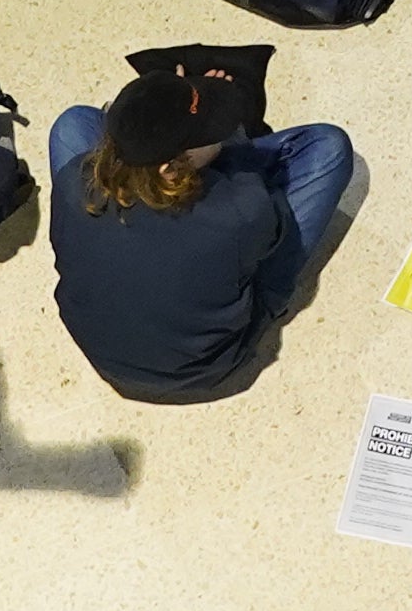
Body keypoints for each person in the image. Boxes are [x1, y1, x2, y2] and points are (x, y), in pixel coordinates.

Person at [45, 44, 357, 402]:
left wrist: (166, 107)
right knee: (328, 147)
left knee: (72, 123)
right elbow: (245, 182)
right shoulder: (243, 208)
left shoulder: (74, 180)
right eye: (209, 131)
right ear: (172, 167)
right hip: (205, 369)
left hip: (108, 359)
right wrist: (234, 138)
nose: (218, 130)